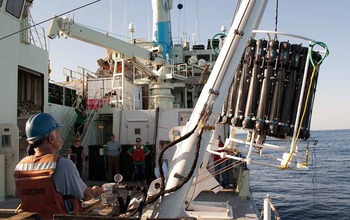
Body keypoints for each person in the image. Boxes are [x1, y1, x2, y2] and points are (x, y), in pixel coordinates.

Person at [14, 113, 103, 219]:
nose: (60, 137)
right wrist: (98, 190)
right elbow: (86, 195)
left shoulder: (20, 167)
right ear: (51, 138)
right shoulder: (62, 165)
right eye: (58, 132)